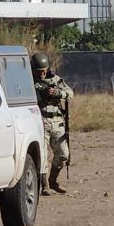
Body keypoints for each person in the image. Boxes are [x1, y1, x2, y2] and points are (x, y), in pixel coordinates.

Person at [31, 52, 73, 196]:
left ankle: (53, 180)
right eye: (38, 72)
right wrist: (40, 94)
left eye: (43, 71)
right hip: (40, 122)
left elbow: (70, 93)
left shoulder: (56, 80)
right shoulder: (30, 83)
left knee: (63, 154)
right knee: (42, 155)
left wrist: (57, 93)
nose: (42, 74)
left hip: (57, 122)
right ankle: (44, 185)